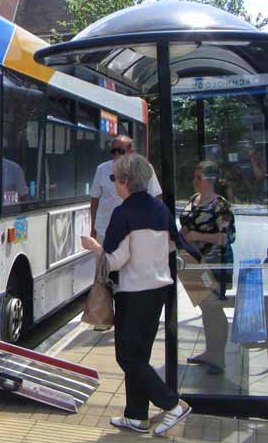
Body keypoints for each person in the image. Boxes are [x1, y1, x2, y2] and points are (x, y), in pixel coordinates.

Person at [81, 154, 191, 436]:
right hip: (158, 291)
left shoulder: (123, 213)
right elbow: (171, 249)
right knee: (140, 354)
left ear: (125, 182)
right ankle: (136, 415)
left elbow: (115, 260)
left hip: (133, 292)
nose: (113, 184)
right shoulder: (161, 210)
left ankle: (173, 405)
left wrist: (94, 246)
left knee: (127, 357)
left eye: (114, 179)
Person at [180, 160, 236, 375]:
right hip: (194, 263)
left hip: (214, 264)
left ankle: (218, 356)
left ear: (211, 180)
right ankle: (210, 351)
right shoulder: (194, 200)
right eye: (195, 176)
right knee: (205, 307)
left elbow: (227, 237)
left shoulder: (220, 205)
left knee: (213, 307)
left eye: (199, 177)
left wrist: (197, 236)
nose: (194, 181)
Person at [90, 135, 162, 243]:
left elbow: (155, 198)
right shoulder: (102, 169)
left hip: (134, 231)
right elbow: (95, 199)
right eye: (113, 151)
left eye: (120, 150)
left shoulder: (145, 168)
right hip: (104, 230)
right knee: (103, 260)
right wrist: (93, 228)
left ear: (131, 150)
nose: (116, 154)